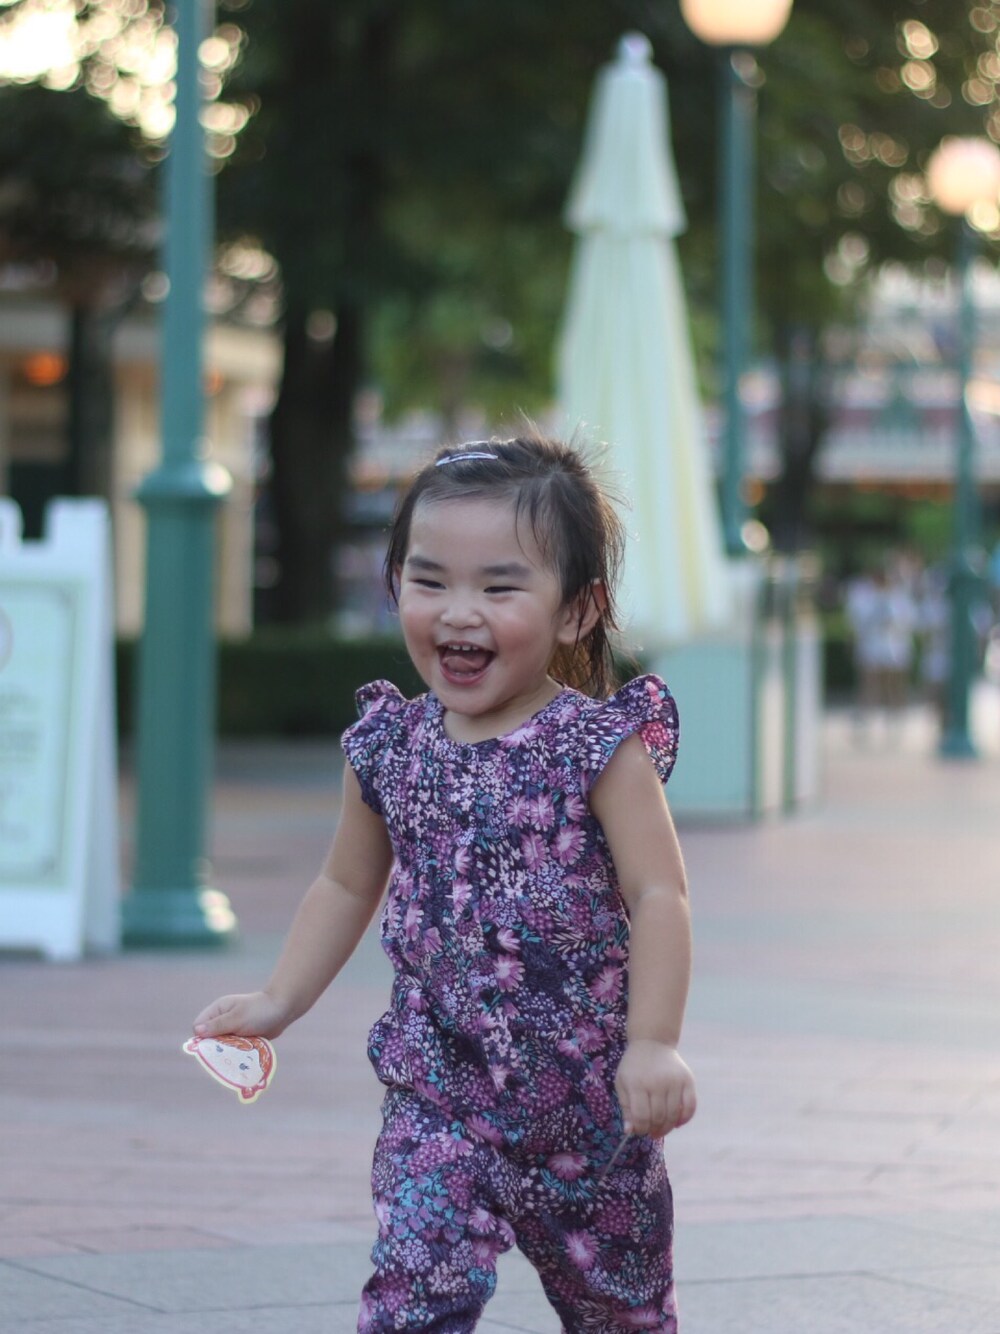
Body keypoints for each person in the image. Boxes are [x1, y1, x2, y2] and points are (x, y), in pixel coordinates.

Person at [193, 435, 696, 1332]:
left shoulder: (596, 749)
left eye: (500, 588)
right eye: (430, 582)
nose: (460, 613)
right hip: (439, 1099)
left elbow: (661, 896)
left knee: (622, 1315)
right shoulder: (389, 746)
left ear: (579, 610)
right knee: (413, 1291)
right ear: (395, 587)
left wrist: (653, 1044)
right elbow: (345, 884)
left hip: (592, 1112)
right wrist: (279, 999)